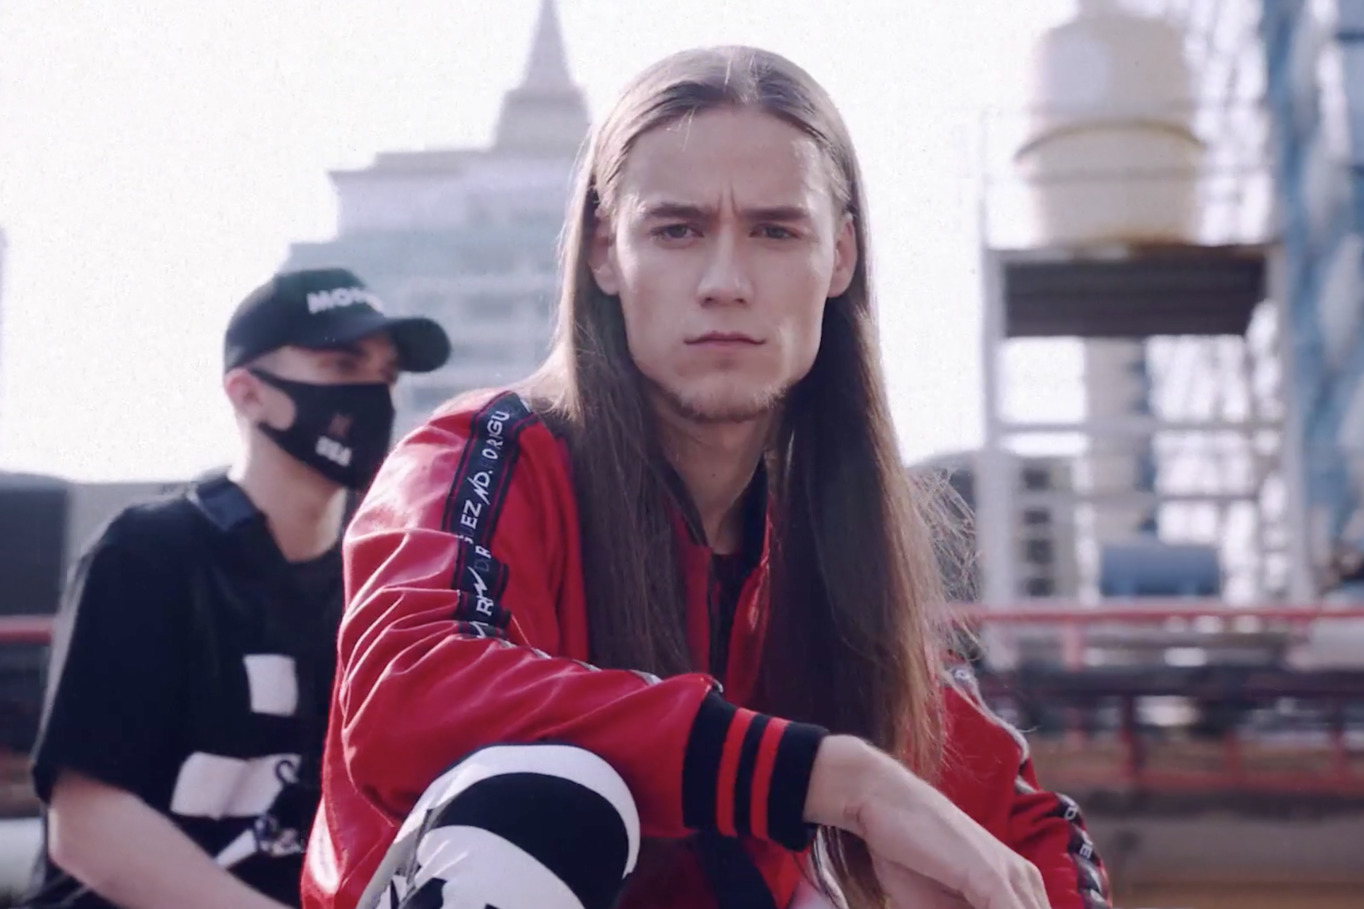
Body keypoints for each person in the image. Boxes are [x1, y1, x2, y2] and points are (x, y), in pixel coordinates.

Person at [304, 48, 1111, 909]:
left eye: (775, 230)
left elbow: (1028, 829)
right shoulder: (485, 450)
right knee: (544, 800)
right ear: (607, 253)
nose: (726, 283)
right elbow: (407, 691)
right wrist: (828, 774)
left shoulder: (823, 558)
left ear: (839, 258)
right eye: (678, 229)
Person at [20, 268, 449, 909]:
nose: (373, 394)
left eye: (386, 375)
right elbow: (87, 829)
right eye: (341, 364)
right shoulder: (147, 553)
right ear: (247, 394)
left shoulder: (387, 575)